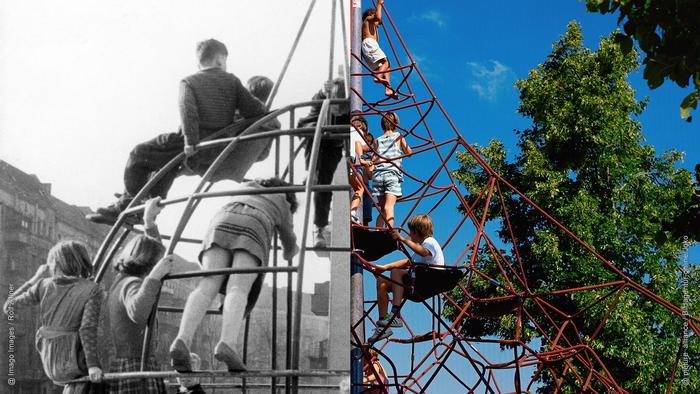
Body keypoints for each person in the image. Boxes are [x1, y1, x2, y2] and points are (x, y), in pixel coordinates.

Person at [88, 38, 268, 225]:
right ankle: (143, 203)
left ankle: (129, 203)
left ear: (199, 61)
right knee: (166, 165)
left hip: (194, 142)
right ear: (220, 60)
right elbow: (254, 111)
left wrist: (190, 141)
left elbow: (187, 110)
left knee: (138, 154)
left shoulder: (189, 81)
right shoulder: (232, 81)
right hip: (218, 146)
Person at [169, 177, 299, 372]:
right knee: (238, 287)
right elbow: (288, 240)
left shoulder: (244, 188)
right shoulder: (282, 200)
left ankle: (182, 338)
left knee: (207, 284)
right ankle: (227, 342)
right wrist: (291, 250)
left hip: (220, 222)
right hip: (254, 226)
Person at [3, 241, 104, 394]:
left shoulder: (42, 285)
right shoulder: (92, 290)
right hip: (75, 362)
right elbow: (87, 328)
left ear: (55, 263)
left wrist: (35, 278)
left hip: (51, 361)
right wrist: (93, 365)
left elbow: (8, 306)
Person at [105, 199, 175, 394]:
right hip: (136, 364)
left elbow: (158, 256)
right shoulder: (131, 284)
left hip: (134, 361)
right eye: (154, 265)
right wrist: (154, 277)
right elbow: (138, 312)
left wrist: (149, 224)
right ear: (146, 263)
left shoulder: (122, 280)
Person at [368, 214, 444, 342]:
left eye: (411, 232)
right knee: (382, 282)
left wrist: (402, 239)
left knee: (396, 272)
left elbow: (423, 252)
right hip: (418, 280)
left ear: (417, 232)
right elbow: (408, 262)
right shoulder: (419, 248)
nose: (409, 235)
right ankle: (384, 325)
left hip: (429, 281)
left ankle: (396, 313)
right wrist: (384, 268)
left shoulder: (430, 242)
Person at [297, 75, 350, 247]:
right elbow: (316, 104)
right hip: (315, 133)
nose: (337, 112)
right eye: (335, 107)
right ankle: (311, 171)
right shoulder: (323, 98)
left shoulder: (351, 109)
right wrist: (322, 92)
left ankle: (320, 225)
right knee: (316, 132)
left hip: (333, 144)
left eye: (341, 110)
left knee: (324, 185)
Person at [371, 111, 411, 228]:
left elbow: (373, 158)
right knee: (389, 207)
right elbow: (409, 152)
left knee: (383, 209)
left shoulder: (377, 140)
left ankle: (378, 233)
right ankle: (389, 232)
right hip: (392, 174)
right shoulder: (398, 136)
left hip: (378, 176)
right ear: (396, 123)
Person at [362, 0, 397, 99]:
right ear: (371, 15)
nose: (378, 23)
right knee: (386, 62)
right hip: (369, 44)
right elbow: (377, 17)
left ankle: (388, 89)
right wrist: (379, 4)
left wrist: (379, 22)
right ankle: (378, 77)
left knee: (386, 67)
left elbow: (378, 19)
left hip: (370, 47)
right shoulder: (368, 19)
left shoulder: (373, 27)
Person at [349, 115, 374, 224]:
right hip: (350, 160)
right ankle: (352, 213)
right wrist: (362, 159)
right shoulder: (359, 132)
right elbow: (358, 144)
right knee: (360, 189)